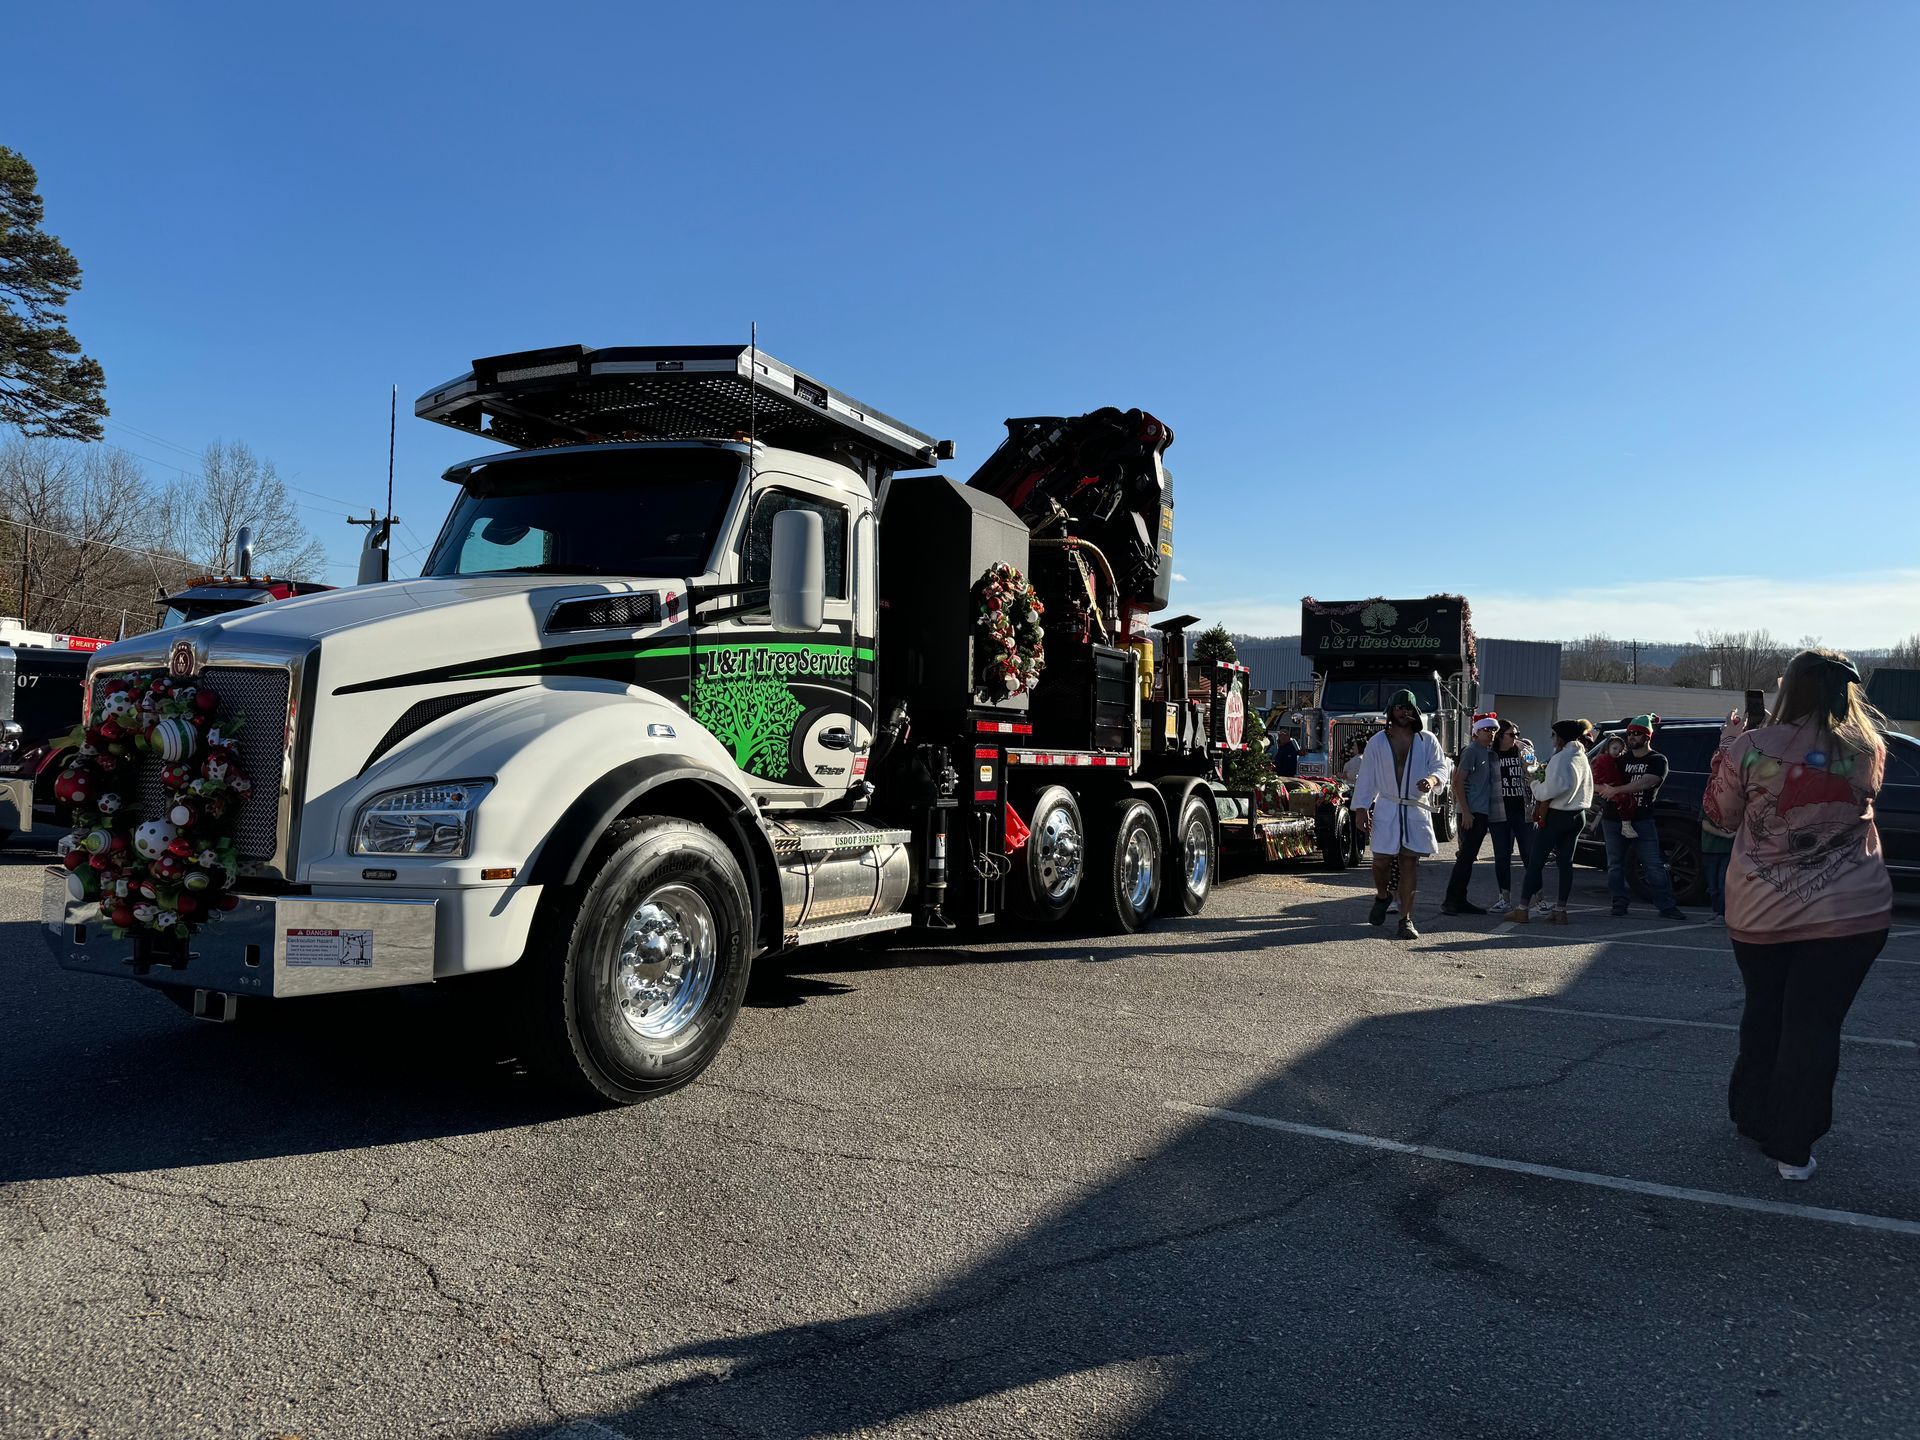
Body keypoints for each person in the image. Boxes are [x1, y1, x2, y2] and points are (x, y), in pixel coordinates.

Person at [1703, 649, 1892, 1182]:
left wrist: (1727, 747)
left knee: (1766, 1011)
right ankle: (1793, 1146)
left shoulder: (1752, 746)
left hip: (1763, 910)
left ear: (1791, 689)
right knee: (1814, 1025)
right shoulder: (1869, 747)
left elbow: (1719, 819)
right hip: (1854, 910)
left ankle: (1755, 1114)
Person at [1348, 689, 1449, 940]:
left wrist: (1431, 779)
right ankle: (1382, 896)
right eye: (1399, 708)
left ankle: (1406, 919)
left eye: (1408, 708)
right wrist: (1362, 808)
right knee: (1381, 860)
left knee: (1409, 864)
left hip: (1415, 809)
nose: (1403, 713)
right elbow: (1367, 777)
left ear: (1414, 712)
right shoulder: (1378, 742)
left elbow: (1441, 767)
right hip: (1387, 807)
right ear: (1391, 711)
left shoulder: (1427, 740)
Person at [1592, 715, 1688, 920]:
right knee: (1614, 864)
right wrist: (1604, 789)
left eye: (1637, 734)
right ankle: (1618, 903)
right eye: (1629, 734)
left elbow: (1648, 781)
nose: (1632, 737)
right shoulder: (1619, 759)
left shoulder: (1657, 760)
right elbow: (1598, 778)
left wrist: (1616, 790)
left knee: (1653, 863)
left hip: (1642, 819)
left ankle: (1666, 906)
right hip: (1613, 818)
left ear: (1647, 737)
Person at [1504, 718, 1594, 924]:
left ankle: (1522, 908)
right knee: (1565, 863)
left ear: (1561, 737)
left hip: (1557, 815)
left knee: (1536, 862)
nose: (1552, 738)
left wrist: (1535, 784)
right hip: (1577, 814)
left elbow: (1553, 788)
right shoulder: (1581, 756)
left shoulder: (1562, 758)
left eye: (1553, 735)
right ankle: (1560, 910)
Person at [1441, 712, 1500, 915]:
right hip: (1471, 812)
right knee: (1465, 859)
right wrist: (1465, 811)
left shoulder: (1487, 752)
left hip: (1481, 811)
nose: (1491, 733)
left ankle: (1460, 899)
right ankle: (1450, 900)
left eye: (1493, 730)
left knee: (1469, 859)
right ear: (1476, 732)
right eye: (1486, 729)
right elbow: (1458, 781)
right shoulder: (1472, 750)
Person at [1487, 719, 1534, 913]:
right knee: (1502, 856)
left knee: (1529, 856)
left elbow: (1535, 776)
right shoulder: (1490, 754)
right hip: (1498, 811)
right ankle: (1504, 898)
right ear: (1500, 735)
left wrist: (1532, 767)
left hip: (1522, 811)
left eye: (1517, 734)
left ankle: (1538, 899)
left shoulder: (1524, 750)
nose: (1516, 738)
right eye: (1512, 734)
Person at [1589, 738, 1641, 839]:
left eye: (1621, 750)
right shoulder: (1605, 760)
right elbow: (1611, 775)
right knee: (1625, 800)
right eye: (1615, 748)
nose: (1618, 752)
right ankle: (1626, 825)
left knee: (1627, 801)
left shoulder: (1612, 760)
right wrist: (1617, 786)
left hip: (1607, 786)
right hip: (1606, 786)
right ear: (1607, 748)